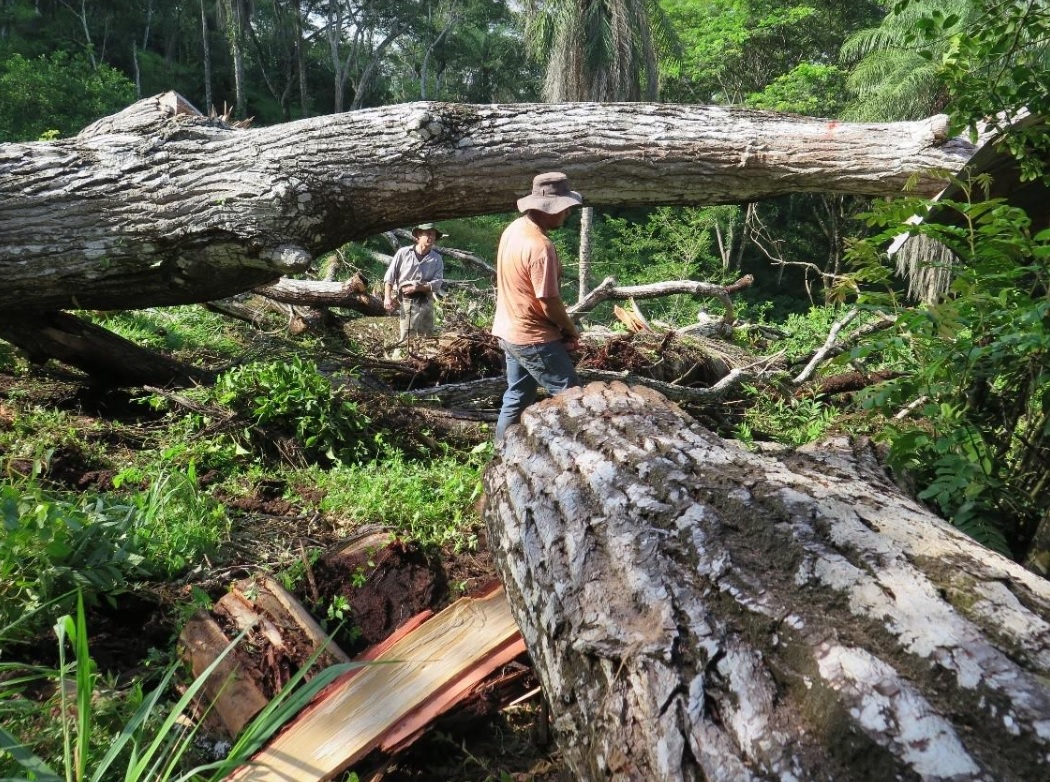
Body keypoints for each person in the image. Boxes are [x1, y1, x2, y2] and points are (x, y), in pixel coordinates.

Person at [492, 172, 584, 441]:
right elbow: (548, 302)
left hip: (509, 331)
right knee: (571, 396)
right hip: (533, 338)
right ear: (548, 209)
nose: (567, 214)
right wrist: (569, 329)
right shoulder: (540, 246)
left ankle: (500, 450)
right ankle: (581, 454)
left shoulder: (514, 229)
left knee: (518, 395)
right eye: (564, 208)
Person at [383, 223, 445, 339]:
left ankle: (421, 356)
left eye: (433, 235)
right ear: (418, 235)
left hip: (426, 301)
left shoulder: (436, 259)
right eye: (428, 234)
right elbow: (389, 277)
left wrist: (418, 287)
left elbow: (437, 284)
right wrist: (387, 298)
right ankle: (401, 356)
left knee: (427, 337)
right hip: (407, 299)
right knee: (406, 337)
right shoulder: (403, 253)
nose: (431, 237)